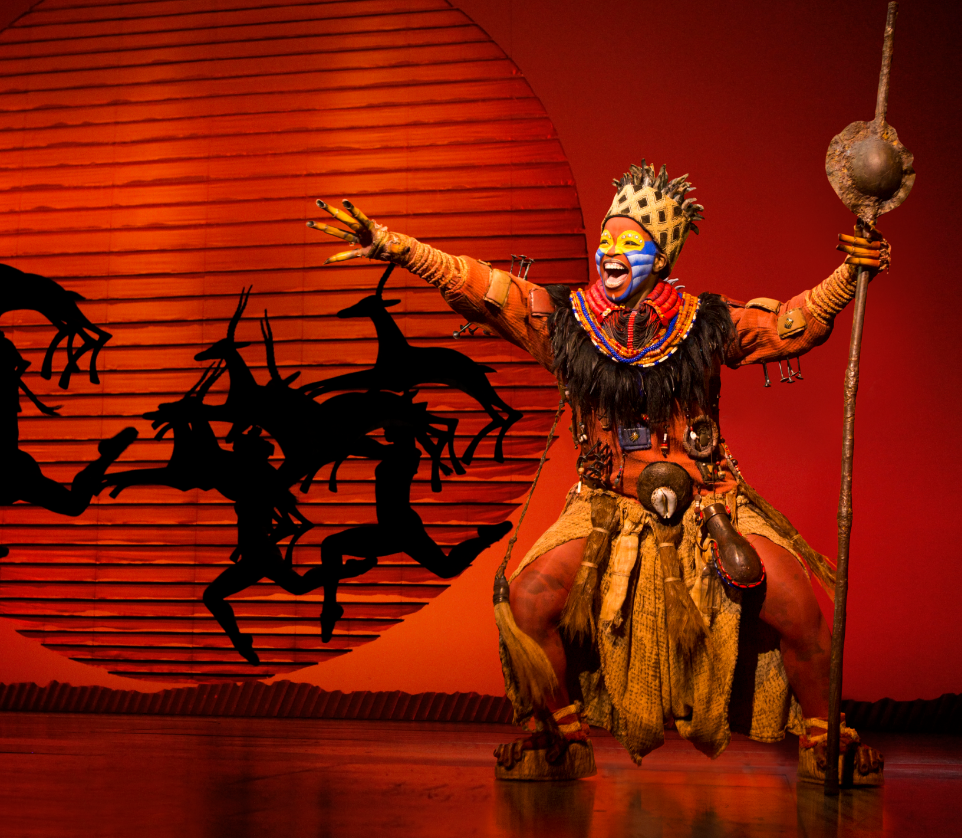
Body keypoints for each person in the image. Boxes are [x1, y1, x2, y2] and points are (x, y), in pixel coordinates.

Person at [307, 162, 889, 784]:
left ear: (659, 257)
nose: (610, 253)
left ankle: (826, 738)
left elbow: (789, 324)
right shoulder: (565, 321)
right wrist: (392, 245)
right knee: (527, 601)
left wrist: (848, 276)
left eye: (629, 242)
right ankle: (557, 739)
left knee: (798, 606)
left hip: (709, 502)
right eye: (606, 240)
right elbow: (484, 286)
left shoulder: (706, 322)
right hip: (607, 503)